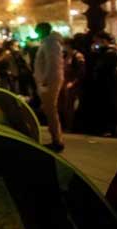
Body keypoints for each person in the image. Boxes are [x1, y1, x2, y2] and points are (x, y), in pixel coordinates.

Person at [78, 31, 117, 136]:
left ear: (103, 40)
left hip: (108, 84)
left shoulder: (110, 53)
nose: (95, 43)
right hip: (104, 83)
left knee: (108, 105)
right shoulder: (103, 52)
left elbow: (103, 68)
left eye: (96, 41)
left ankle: (109, 129)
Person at [33, 22, 65, 152]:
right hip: (48, 81)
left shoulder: (50, 44)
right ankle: (56, 138)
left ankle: (57, 140)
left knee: (51, 111)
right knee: (49, 110)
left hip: (49, 82)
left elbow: (52, 63)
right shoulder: (48, 43)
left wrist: (45, 80)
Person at [60, 35, 86, 133]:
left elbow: (81, 72)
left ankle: (70, 126)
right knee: (64, 105)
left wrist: (73, 82)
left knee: (70, 105)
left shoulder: (77, 56)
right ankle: (66, 125)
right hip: (64, 82)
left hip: (72, 84)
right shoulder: (65, 55)